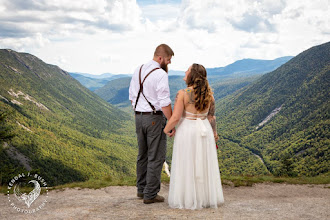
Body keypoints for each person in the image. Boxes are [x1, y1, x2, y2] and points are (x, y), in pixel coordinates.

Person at [164, 63, 225, 209]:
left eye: (188, 70)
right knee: (203, 163)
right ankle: (204, 198)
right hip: (205, 130)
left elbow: (175, 118)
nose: (185, 71)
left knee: (187, 163)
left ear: (192, 75)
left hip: (187, 130)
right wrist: (214, 134)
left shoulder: (183, 93)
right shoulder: (210, 95)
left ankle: (187, 198)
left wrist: (166, 129)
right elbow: (211, 117)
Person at [129, 44, 175, 204]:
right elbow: (164, 102)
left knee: (142, 155)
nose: (169, 63)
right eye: (168, 60)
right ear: (161, 58)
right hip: (154, 118)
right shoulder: (160, 74)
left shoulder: (138, 69)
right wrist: (171, 122)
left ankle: (141, 190)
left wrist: (138, 112)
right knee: (155, 157)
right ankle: (150, 194)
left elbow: (131, 96)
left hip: (138, 117)